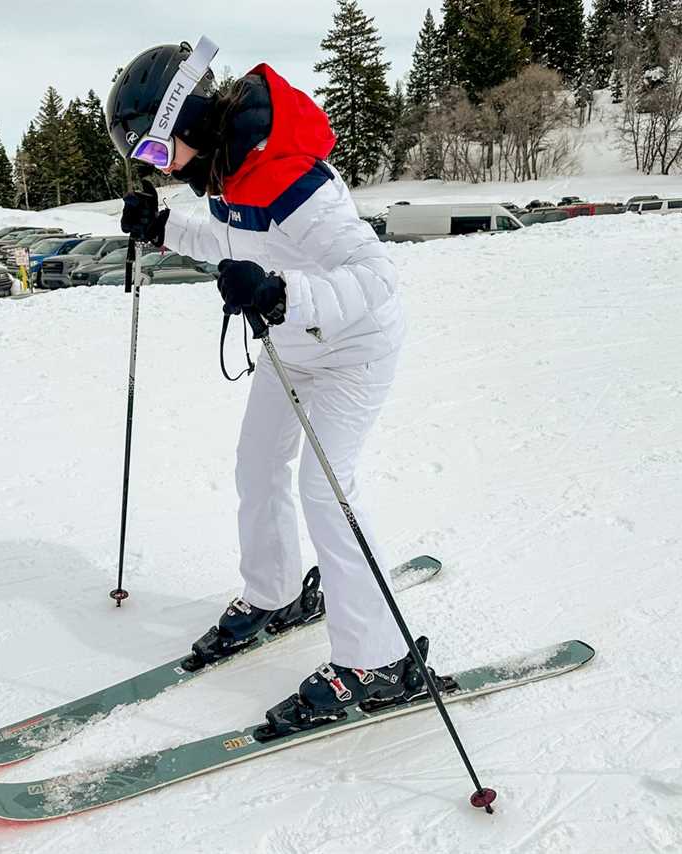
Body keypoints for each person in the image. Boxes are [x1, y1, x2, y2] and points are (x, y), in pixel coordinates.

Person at [108, 37, 420, 726]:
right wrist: (163, 227)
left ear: (185, 123)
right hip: (296, 345)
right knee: (257, 465)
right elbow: (235, 242)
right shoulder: (231, 170)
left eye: (157, 153)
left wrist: (282, 295)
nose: (156, 167)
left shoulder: (289, 175)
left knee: (325, 487)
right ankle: (275, 593)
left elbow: (374, 276)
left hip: (353, 350)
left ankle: (379, 659)